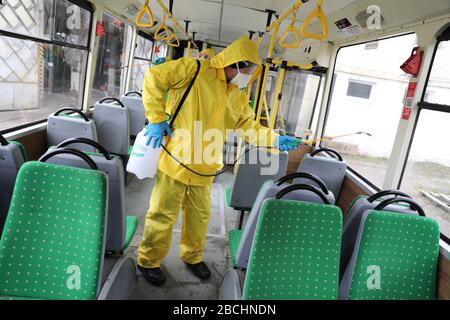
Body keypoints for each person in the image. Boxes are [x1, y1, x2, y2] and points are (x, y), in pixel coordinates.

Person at [137, 36, 301, 286]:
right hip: (175, 160)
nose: (247, 75)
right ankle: (148, 261)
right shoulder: (194, 70)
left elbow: (249, 126)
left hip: (205, 166)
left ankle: (192, 257)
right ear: (234, 64)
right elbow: (154, 78)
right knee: (162, 214)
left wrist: (274, 140)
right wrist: (157, 118)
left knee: (199, 217)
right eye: (247, 69)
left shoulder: (236, 95)